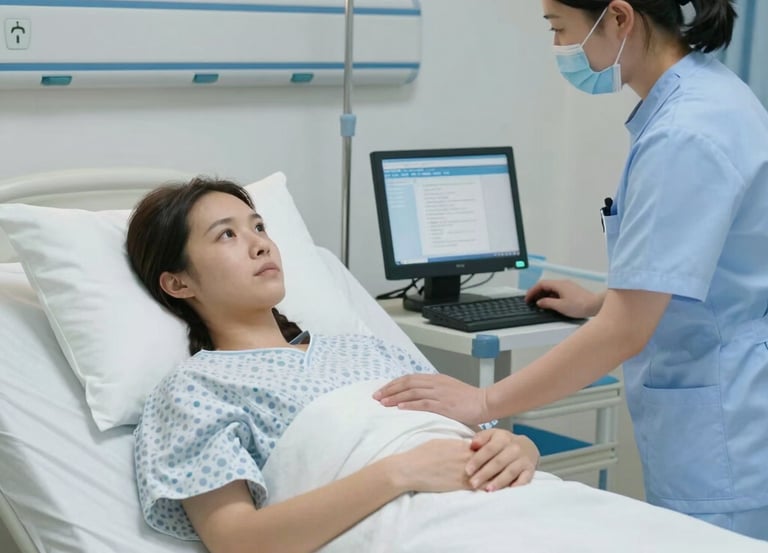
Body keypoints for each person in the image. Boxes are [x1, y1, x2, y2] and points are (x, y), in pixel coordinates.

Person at [374, 0, 768, 540]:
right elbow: (708, 275)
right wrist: (598, 301)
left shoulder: (684, 133)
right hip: (725, 401)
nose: (558, 47)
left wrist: (482, 401)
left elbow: (628, 329)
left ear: (620, 18)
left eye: (560, 28)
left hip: (726, 428)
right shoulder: (710, 95)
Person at [125, 177, 540, 552]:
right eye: (227, 235)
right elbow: (237, 542)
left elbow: (479, 435)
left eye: (259, 227)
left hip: (516, 502)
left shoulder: (370, 349)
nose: (261, 244)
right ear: (179, 283)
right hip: (416, 530)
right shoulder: (196, 389)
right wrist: (401, 472)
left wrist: (521, 448)